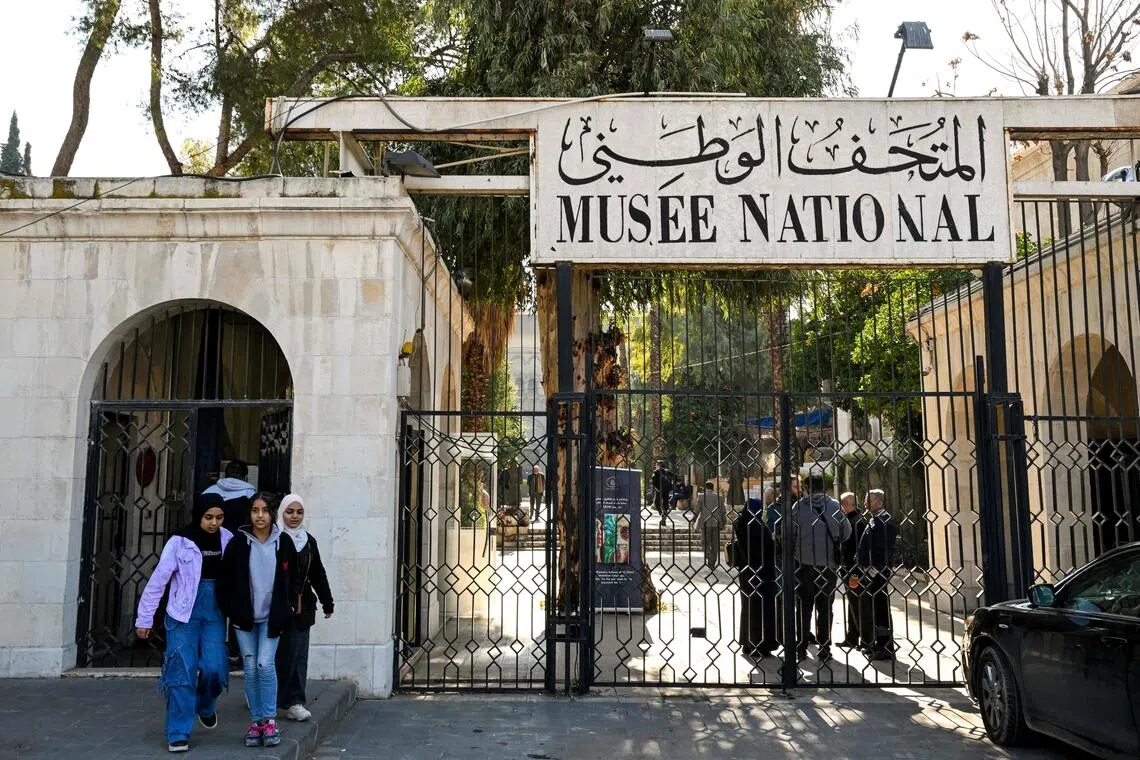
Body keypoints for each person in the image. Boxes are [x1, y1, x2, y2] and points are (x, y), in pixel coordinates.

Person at [135, 492, 232, 753]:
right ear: (198, 514)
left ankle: (205, 705)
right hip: (181, 615)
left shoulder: (228, 539)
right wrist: (144, 618)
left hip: (214, 613)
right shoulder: (180, 541)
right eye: (209, 517)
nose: (214, 523)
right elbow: (159, 581)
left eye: (219, 517)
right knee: (181, 671)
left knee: (215, 668)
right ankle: (178, 732)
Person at [217, 492, 298, 749]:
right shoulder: (238, 542)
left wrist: (287, 608)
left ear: (272, 513)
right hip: (245, 618)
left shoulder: (283, 542)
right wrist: (232, 609)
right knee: (250, 668)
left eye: (264, 510)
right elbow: (224, 580)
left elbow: (294, 578)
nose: (259, 516)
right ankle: (256, 722)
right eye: (255, 510)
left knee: (265, 663)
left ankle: (270, 720)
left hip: (272, 618)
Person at [275, 494, 335, 722]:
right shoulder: (275, 539)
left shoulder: (308, 541)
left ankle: (295, 702)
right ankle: (270, 698)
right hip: (278, 605)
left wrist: (327, 602)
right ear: (282, 512)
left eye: (299, 512)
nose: (294, 516)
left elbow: (318, 573)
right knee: (279, 655)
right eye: (289, 511)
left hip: (303, 607)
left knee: (299, 655)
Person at [789, 474, 851, 662]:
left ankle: (801, 647)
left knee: (804, 606)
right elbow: (847, 532)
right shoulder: (834, 506)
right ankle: (824, 647)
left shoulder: (798, 507)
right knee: (825, 607)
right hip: (828, 565)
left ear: (807, 488)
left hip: (804, 564)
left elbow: (790, 532)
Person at [853, 489, 898, 661]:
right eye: (865, 499)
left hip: (878, 573)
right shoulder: (874, 520)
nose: (866, 503)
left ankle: (886, 646)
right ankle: (878, 644)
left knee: (881, 609)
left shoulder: (884, 522)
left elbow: (883, 551)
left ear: (880, 502)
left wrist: (872, 572)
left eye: (869, 500)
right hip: (870, 571)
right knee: (875, 608)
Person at [735, 494, 779, 658]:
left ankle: (748, 643)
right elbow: (769, 548)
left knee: (748, 607)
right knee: (763, 608)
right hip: (762, 572)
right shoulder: (758, 527)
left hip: (746, 572)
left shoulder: (741, 524)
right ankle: (761, 644)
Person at [837, 492, 868, 650]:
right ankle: (852, 637)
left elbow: (856, 547)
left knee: (858, 604)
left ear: (847, 504)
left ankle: (864, 639)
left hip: (854, 569)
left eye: (841, 504)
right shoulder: (851, 519)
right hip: (848, 568)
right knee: (852, 603)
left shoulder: (857, 522)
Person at [203, 460, 256, 530]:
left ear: (224, 475)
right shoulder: (249, 493)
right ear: (246, 477)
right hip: (239, 533)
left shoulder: (209, 491)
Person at [694, 481, 726, 568]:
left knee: (704, 542)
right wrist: (724, 523)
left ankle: (710, 557)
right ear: (713, 487)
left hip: (705, 523)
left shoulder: (701, 496)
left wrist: (693, 520)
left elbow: (697, 509)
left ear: (705, 487)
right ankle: (712, 562)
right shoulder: (719, 497)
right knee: (715, 543)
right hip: (716, 523)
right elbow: (723, 511)